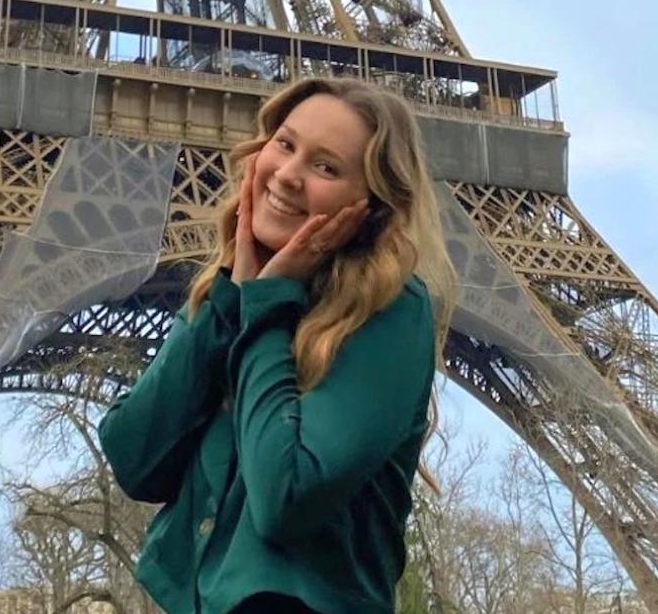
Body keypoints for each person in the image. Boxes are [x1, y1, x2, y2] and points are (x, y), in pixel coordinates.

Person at [100, 77, 456, 613]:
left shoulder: (390, 311)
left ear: (372, 206)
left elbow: (285, 495)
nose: (288, 176)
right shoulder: (230, 300)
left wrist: (265, 305)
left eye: (326, 167)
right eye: (285, 145)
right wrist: (230, 300)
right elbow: (134, 458)